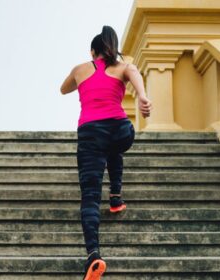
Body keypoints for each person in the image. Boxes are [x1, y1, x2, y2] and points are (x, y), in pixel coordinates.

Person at [60, 25, 152, 280]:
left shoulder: (80, 69)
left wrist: (81, 77)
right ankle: (115, 197)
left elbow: (63, 89)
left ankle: (94, 256)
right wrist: (142, 97)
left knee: (89, 196)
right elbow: (134, 71)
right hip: (120, 130)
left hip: (90, 133)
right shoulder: (123, 67)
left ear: (93, 51)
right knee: (114, 147)